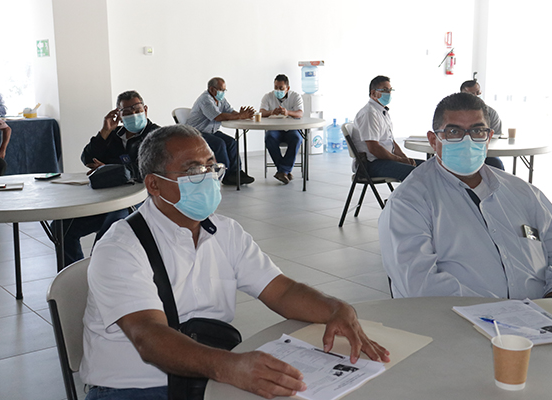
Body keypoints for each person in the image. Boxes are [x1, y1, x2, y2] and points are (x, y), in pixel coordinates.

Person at [81, 124, 390, 400]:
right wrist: (229, 366)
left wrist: (335, 309)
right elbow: (148, 337)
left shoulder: (225, 231)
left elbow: (281, 291)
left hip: (209, 372)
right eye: (193, 170)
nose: (207, 177)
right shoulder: (121, 247)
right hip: (135, 387)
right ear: (154, 185)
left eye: (211, 166)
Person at [378, 92, 552, 300]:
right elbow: (418, 285)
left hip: (542, 314)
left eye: (477, 131)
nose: (467, 140)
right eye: (454, 131)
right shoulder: (409, 203)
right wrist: (500, 314)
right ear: (433, 140)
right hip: (459, 318)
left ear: (489, 137)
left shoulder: (522, 192)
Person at [53, 90, 160, 267]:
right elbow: (88, 159)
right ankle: (73, 275)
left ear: (145, 110)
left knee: (108, 232)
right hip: (105, 197)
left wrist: (109, 169)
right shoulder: (114, 135)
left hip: (136, 201)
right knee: (61, 227)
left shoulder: (156, 136)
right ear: (119, 115)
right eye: (127, 112)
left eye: (137, 110)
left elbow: (145, 169)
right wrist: (104, 131)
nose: (134, 115)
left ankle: (96, 272)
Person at [186, 77, 255, 186]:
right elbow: (218, 117)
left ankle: (236, 172)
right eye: (221, 90)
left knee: (232, 142)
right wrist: (240, 116)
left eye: (224, 90)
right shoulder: (205, 100)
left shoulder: (221, 99)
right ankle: (226, 175)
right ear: (212, 89)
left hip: (211, 131)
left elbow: (230, 111)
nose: (222, 92)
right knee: (219, 143)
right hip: (196, 132)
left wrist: (241, 115)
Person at [351, 76, 422, 181]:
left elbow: (391, 142)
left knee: (426, 167)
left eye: (390, 90)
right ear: (373, 93)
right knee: (415, 173)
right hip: (371, 164)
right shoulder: (369, 113)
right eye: (384, 90)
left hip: (384, 160)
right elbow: (374, 149)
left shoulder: (382, 111)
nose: (388, 93)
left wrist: (404, 158)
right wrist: (400, 160)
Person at [259, 74, 303, 184]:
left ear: (287, 88)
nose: (278, 90)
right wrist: (271, 112)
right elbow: (261, 112)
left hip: (291, 129)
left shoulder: (296, 96)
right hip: (274, 129)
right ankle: (284, 171)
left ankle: (283, 171)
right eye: (276, 87)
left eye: (281, 88)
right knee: (269, 138)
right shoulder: (268, 96)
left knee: (297, 138)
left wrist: (288, 112)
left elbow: (300, 113)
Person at [460, 80, 505, 170]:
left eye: (478, 92)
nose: (476, 96)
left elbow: (495, 137)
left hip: (484, 152)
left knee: (496, 164)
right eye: (471, 94)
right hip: (459, 151)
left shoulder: (491, 113)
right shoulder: (453, 114)